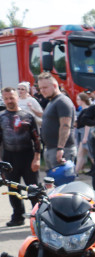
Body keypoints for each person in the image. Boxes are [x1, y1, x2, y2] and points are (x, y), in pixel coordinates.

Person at [0, 86, 42, 226]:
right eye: (6, 98)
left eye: (11, 97)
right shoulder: (1, 117)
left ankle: (39, 216)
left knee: (34, 188)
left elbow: (37, 139)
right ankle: (17, 216)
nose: (9, 101)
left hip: (28, 156)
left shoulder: (28, 116)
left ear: (17, 97)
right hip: (9, 158)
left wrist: (37, 158)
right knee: (13, 189)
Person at [37, 73, 76, 174]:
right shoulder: (51, 102)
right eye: (40, 88)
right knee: (54, 185)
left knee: (63, 186)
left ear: (54, 86)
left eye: (45, 87)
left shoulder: (62, 101)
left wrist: (60, 148)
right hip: (51, 149)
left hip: (62, 150)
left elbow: (65, 126)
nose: (42, 90)